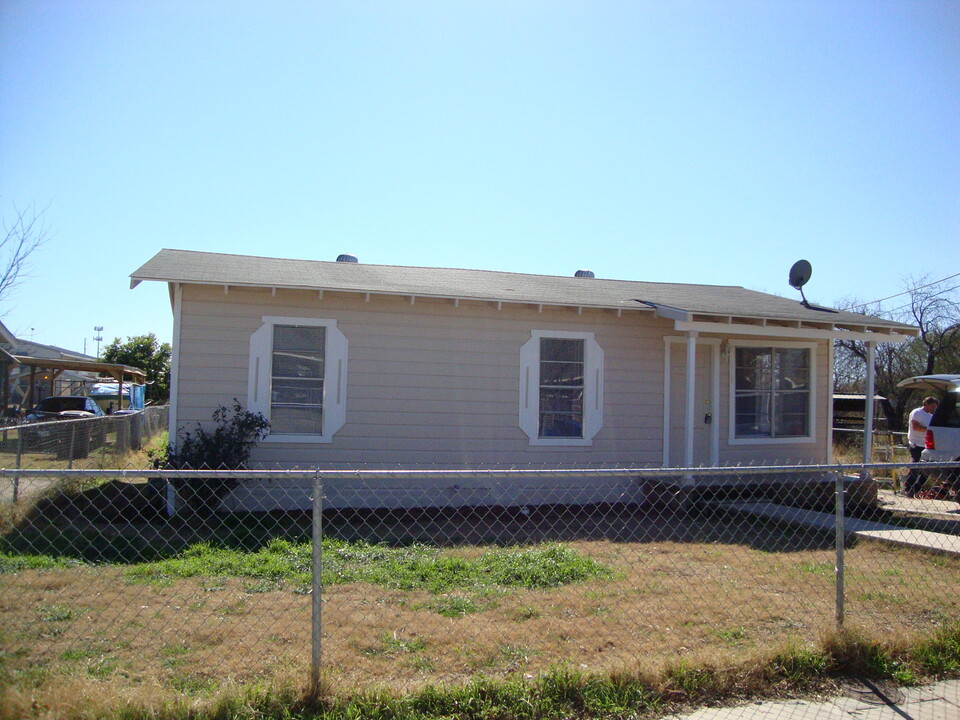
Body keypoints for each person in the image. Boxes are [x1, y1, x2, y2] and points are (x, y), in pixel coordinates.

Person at [905, 396, 939, 497]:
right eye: (932, 406)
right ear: (926, 404)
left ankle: (917, 488)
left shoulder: (930, 416)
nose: (933, 409)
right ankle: (908, 487)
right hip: (916, 443)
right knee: (916, 466)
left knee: (926, 468)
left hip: (926, 444)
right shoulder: (917, 413)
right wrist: (928, 430)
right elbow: (915, 427)